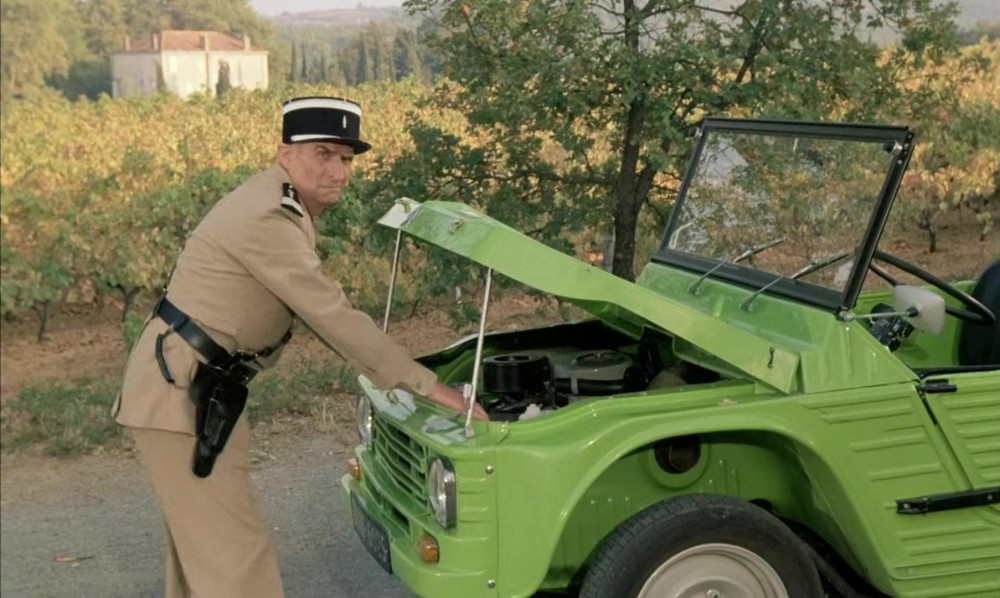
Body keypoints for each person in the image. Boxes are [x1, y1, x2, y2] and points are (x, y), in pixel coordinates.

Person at [113, 96, 485, 598]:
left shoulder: (279, 203)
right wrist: (431, 388)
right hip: (183, 393)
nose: (338, 171)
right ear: (286, 153)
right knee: (235, 563)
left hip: (194, 387)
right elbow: (332, 316)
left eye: (346, 158)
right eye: (324, 154)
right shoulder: (269, 216)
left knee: (203, 558)